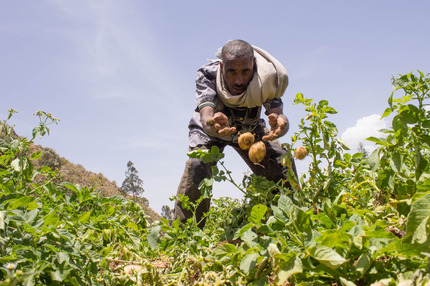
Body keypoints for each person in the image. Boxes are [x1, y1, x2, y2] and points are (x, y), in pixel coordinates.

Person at [174, 39, 297, 228]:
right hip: (212, 128)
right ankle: (185, 233)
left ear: (253, 66)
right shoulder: (208, 75)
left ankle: (290, 220)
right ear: (222, 67)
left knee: (281, 162)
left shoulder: (265, 77)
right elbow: (206, 112)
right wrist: (212, 123)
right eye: (232, 72)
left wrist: (281, 123)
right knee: (198, 165)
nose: (239, 80)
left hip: (249, 127)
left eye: (245, 72)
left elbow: (277, 114)